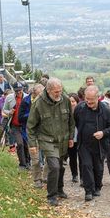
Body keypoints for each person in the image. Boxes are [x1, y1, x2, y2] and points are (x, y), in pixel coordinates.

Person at [27, 78, 75, 206]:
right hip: (47, 139)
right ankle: (51, 196)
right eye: (55, 92)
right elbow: (30, 126)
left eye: (60, 91)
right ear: (48, 91)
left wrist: (71, 137)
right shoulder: (38, 103)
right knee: (54, 166)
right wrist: (32, 145)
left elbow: (71, 120)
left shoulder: (65, 100)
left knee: (60, 166)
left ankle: (59, 189)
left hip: (63, 140)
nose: (58, 94)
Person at [74, 85, 110, 202]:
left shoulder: (106, 110)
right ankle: (88, 191)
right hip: (84, 144)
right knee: (86, 165)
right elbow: (74, 122)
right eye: (86, 99)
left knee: (98, 168)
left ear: (98, 98)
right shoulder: (80, 108)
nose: (88, 102)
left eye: (91, 100)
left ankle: (97, 187)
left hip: (100, 145)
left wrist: (103, 133)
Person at [19, 84, 45, 188]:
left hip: (44, 133)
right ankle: (37, 180)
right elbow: (20, 117)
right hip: (30, 133)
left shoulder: (46, 101)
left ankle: (46, 177)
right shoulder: (25, 101)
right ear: (34, 93)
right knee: (35, 158)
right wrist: (31, 114)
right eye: (40, 95)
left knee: (48, 156)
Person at [3, 82, 27, 169]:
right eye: (16, 91)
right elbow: (4, 109)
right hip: (15, 125)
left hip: (25, 126)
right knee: (20, 144)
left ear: (23, 89)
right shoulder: (9, 98)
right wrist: (9, 112)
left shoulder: (27, 97)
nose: (18, 92)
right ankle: (22, 164)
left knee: (26, 144)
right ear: (14, 90)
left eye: (20, 91)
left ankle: (27, 162)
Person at [67, 93, 82, 184]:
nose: (72, 103)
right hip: (70, 138)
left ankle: (83, 176)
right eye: (70, 101)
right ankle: (74, 174)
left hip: (80, 138)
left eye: (73, 101)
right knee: (72, 158)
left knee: (81, 158)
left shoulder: (81, 112)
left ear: (77, 102)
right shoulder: (65, 113)